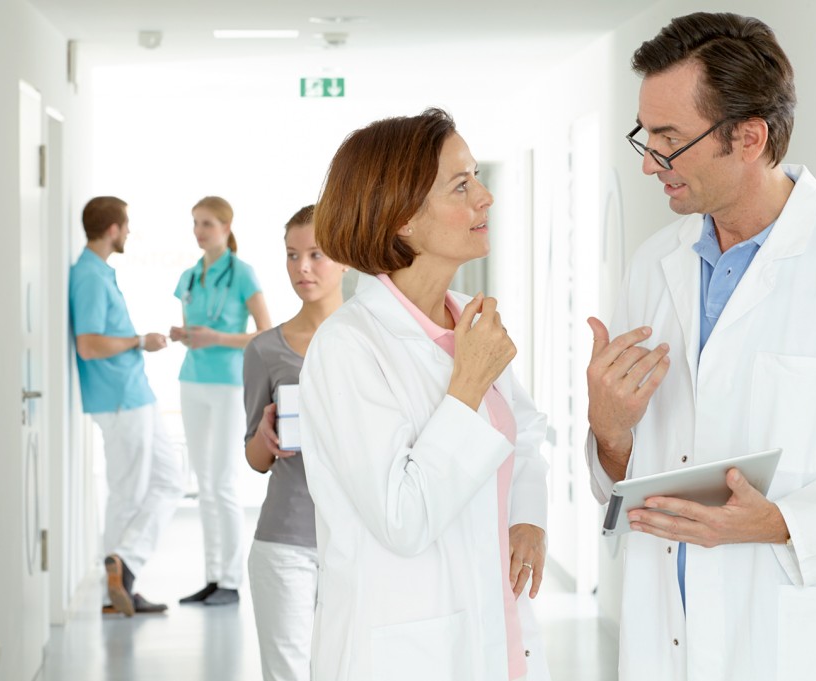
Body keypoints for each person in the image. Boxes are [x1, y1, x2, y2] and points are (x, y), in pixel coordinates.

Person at [584, 12, 816, 681]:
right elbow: (632, 479)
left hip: (798, 644)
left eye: (668, 140)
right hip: (667, 641)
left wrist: (781, 520)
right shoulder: (653, 267)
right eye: (645, 137)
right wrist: (609, 433)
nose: (649, 163)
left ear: (749, 137)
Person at [299, 109, 550, 681]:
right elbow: (402, 517)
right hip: (404, 651)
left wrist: (528, 517)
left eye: (477, 179)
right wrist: (465, 386)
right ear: (403, 218)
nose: (486, 198)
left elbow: (525, 434)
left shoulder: (468, 320)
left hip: (498, 634)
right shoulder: (348, 347)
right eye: (462, 185)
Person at [242, 205, 344, 681]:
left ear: (345, 257)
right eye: (291, 255)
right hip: (286, 543)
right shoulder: (264, 350)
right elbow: (254, 458)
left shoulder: (377, 341)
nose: (302, 267)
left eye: (316, 254)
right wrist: (265, 438)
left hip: (358, 540)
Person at [69, 195, 183, 617]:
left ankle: (124, 564)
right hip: (118, 400)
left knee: (171, 480)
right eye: (127, 225)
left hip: (137, 394)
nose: (129, 232)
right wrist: (139, 341)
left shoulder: (99, 272)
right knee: (127, 495)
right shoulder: (89, 277)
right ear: (113, 229)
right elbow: (89, 344)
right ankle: (113, 592)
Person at [169, 196, 272, 606]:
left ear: (226, 227)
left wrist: (218, 338)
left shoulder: (242, 274)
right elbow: (197, 325)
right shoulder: (190, 276)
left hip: (229, 384)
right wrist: (184, 335)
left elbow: (265, 332)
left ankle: (230, 580)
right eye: (195, 223)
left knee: (224, 481)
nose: (199, 231)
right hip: (192, 380)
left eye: (207, 224)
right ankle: (212, 576)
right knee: (205, 484)